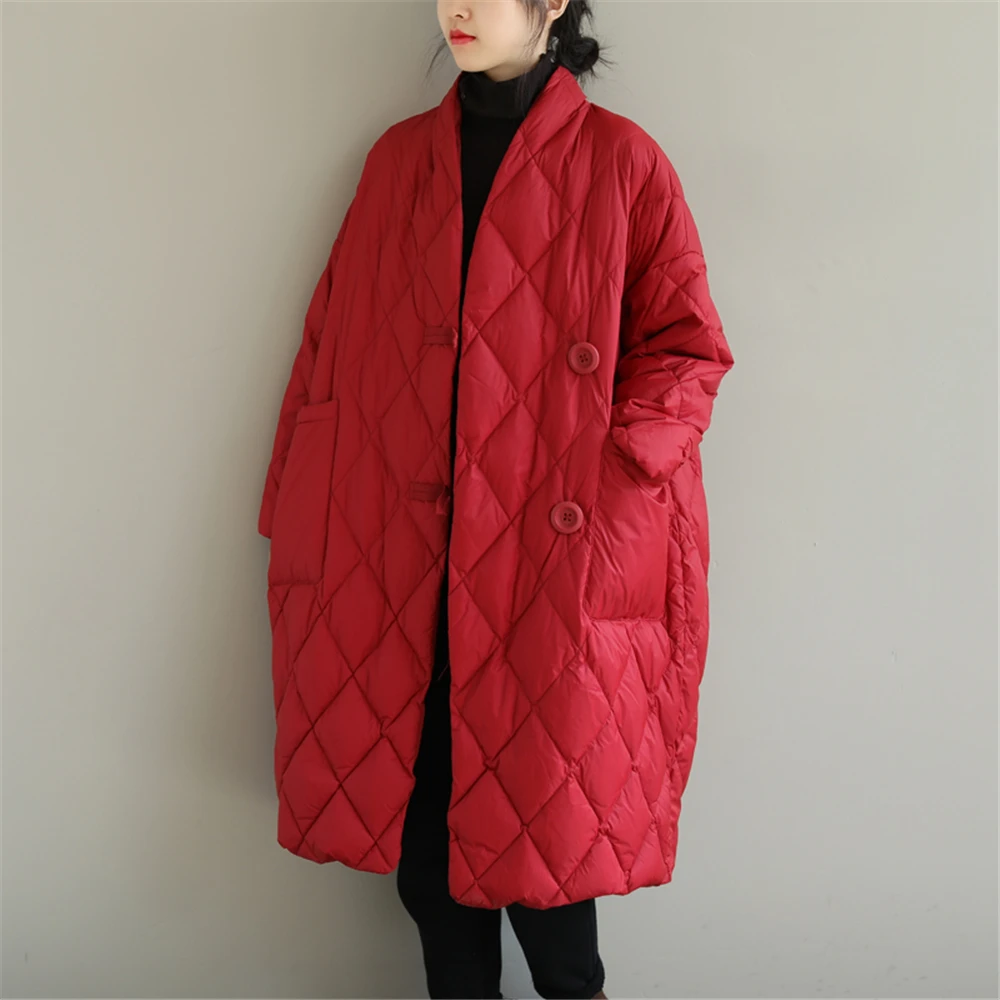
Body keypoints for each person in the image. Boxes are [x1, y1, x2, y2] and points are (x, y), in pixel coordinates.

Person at [256, 2, 734, 998]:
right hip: (403, 564)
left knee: (551, 869)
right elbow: (330, 353)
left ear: (552, 3)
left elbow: (687, 349)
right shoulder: (397, 164)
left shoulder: (622, 162)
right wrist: (297, 506)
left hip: (550, 566)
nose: (458, 9)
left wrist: (611, 474)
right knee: (428, 870)